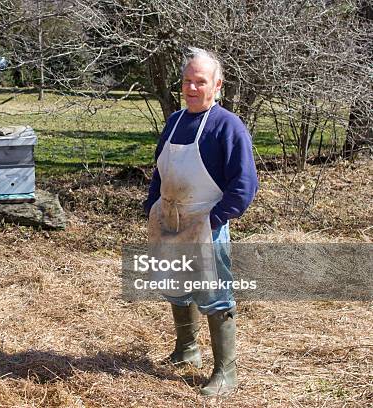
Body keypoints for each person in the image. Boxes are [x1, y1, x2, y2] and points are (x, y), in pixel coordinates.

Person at [144, 47, 258, 396]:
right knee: (176, 286)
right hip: (170, 221)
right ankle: (187, 350)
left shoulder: (228, 126)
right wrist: (152, 208)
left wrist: (214, 220)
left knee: (214, 295)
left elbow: (244, 185)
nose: (192, 88)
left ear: (217, 85)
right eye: (187, 81)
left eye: (200, 82)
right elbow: (160, 172)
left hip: (207, 225)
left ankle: (226, 373)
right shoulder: (174, 121)